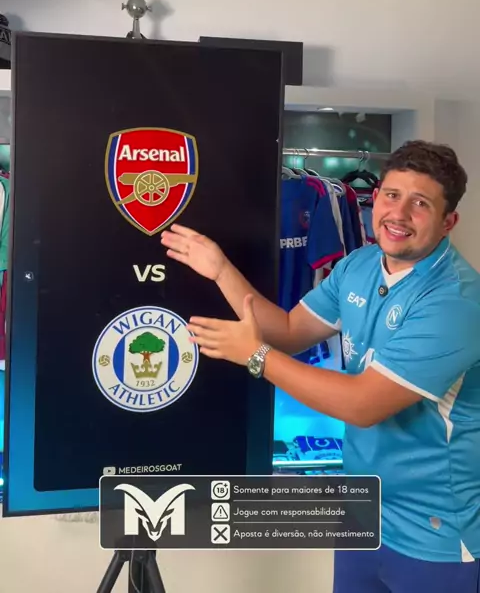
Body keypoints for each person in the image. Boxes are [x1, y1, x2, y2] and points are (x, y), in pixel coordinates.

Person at [160, 140, 480, 593]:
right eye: (392, 195)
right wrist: (220, 270)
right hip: (363, 514)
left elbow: (363, 405)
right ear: (376, 197)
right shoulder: (359, 265)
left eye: (420, 203)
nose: (399, 213)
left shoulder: (457, 302)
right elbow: (290, 330)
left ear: (449, 222)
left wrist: (255, 356)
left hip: (435, 537)